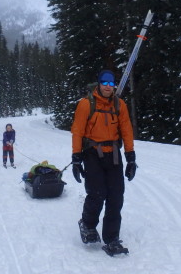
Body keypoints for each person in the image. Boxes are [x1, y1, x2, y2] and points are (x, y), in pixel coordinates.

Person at [70, 69, 137, 256]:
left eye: (111, 83)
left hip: (114, 154)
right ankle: (88, 225)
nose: (108, 87)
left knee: (116, 196)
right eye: (105, 83)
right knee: (97, 193)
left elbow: (127, 130)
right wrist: (76, 159)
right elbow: (77, 131)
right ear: (99, 83)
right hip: (92, 153)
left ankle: (112, 238)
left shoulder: (119, 104)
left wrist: (131, 158)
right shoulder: (85, 105)